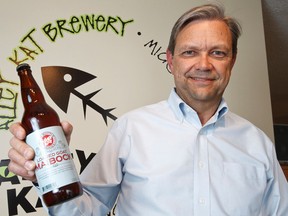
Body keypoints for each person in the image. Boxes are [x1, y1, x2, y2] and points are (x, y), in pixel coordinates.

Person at [8, 3, 288, 216]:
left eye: (218, 52)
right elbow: (86, 210)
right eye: (189, 52)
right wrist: (46, 174)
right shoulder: (131, 129)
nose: (203, 64)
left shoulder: (258, 143)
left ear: (232, 61)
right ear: (171, 60)